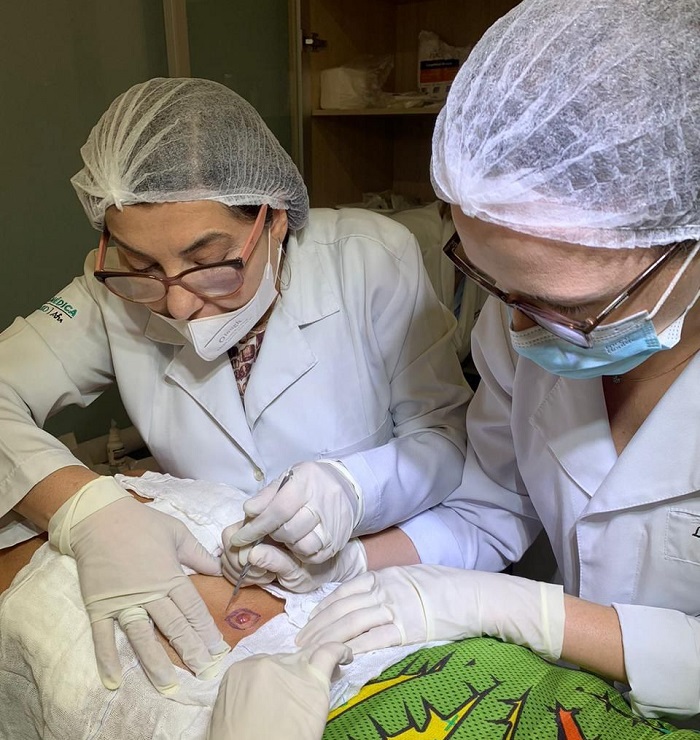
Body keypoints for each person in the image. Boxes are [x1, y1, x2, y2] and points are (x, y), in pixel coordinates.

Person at [297, 0, 700, 726]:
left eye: (569, 305)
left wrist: (534, 615)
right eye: (495, 286)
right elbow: (492, 509)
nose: (518, 328)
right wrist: (353, 562)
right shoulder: (525, 324)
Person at [0, 77, 470, 695]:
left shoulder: (369, 258)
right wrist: (84, 509)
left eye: (209, 264)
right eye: (142, 266)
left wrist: (354, 488)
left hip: (381, 579)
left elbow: (444, 438)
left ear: (275, 220)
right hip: (228, 589)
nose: (176, 303)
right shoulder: (107, 289)